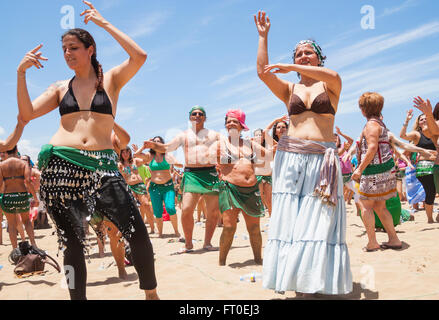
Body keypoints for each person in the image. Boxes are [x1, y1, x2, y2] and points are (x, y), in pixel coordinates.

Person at [16, 1, 158, 300]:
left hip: (104, 167)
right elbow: (26, 114)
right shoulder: (59, 88)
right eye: (64, 49)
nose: (67, 54)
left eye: (73, 48)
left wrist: (103, 23)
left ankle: (150, 293)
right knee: (73, 243)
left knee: (138, 233)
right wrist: (21, 73)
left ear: (89, 49)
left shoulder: (111, 80)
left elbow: (140, 55)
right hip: (62, 169)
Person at [255, 11, 352, 295]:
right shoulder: (289, 88)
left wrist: (287, 64)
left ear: (319, 58)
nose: (304, 56)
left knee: (320, 218)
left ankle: (317, 280)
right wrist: (263, 37)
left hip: (323, 158)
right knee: (290, 219)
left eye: (309, 53)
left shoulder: (330, 84)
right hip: (290, 156)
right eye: (299, 54)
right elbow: (263, 73)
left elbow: (334, 74)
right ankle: (297, 281)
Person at [143, 106, 220, 253]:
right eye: (194, 114)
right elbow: (167, 147)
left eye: (200, 114)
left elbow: (227, 144)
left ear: (205, 117)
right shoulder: (183, 135)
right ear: (190, 117)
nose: (197, 115)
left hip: (210, 172)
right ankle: (188, 244)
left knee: (213, 212)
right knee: (186, 209)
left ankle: (207, 243)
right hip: (192, 173)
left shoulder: (214, 134)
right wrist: (153, 145)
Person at [212, 109, 269, 265]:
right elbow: (203, 158)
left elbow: (270, 154)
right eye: (228, 121)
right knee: (229, 227)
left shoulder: (250, 144)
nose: (230, 123)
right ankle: (221, 263)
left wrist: (270, 138)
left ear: (241, 126)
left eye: (234, 121)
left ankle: (258, 260)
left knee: (254, 228)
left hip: (251, 189)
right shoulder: (219, 144)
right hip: (229, 187)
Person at [351, 92, 403, 251]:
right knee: (381, 207)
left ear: (363, 109)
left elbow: (372, 148)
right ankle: (393, 239)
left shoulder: (371, 125)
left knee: (365, 206)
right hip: (385, 169)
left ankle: (372, 242)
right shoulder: (381, 124)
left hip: (373, 171)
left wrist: (359, 169)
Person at [134, 136, 182, 238]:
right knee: (158, 212)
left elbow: (180, 165)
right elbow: (136, 155)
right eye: (154, 142)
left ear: (162, 144)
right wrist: (144, 146)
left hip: (168, 186)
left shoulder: (167, 156)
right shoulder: (149, 156)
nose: (156, 143)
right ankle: (160, 233)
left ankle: (176, 231)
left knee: (170, 208)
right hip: (154, 187)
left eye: (158, 142)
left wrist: (175, 162)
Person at [399, 109, 438, 223]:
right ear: (418, 123)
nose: (424, 120)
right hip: (424, 167)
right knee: (430, 191)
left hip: (437, 165)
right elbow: (402, 135)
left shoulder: (436, 132)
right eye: (421, 119)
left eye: (426, 118)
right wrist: (407, 120)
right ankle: (430, 219)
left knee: (435, 191)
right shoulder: (417, 134)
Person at [0, 146, 38, 249]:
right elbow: (28, 181)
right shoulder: (23, 164)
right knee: (26, 221)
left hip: (8, 197)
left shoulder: (1, 165)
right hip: (22, 196)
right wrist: (35, 197)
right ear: (16, 150)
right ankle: (33, 244)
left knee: (11, 224)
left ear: (6, 151)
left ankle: (15, 250)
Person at [119, 146, 156, 233]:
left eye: (127, 152)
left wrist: (140, 150)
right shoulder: (120, 164)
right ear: (121, 154)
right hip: (129, 186)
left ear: (130, 153)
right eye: (123, 152)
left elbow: (147, 160)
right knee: (132, 207)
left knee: (146, 205)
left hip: (139, 185)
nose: (125, 154)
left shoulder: (135, 161)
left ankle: (153, 228)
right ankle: (134, 229)